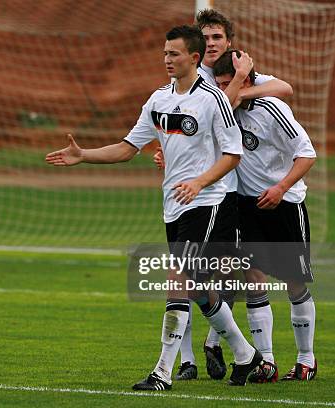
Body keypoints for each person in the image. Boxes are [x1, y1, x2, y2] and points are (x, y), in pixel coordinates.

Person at [46, 25, 262, 390]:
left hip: (207, 203)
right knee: (196, 288)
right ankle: (246, 354)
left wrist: (199, 182)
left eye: (174, 54)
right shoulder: (158, 99)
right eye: (164, 53)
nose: (167, 59)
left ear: (194, 58)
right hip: (173, 205)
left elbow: (233, 154)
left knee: (178, 279)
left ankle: (162, 372)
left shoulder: (213, 99)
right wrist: (84, 155)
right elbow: (128, 148)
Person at [153, 9, 294, 382]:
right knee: (194, 276)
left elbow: (283, 89)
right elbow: (189, 117)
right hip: (191, 192)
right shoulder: (188, 76)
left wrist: (243, 81)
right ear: (197, 47)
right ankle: (196, 359)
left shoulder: (236, 69)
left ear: (228, 42)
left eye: (217, 37)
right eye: (207, 37)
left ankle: (237, 351)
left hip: (225, 192)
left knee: (219, 275)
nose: (212, 43)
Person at [213, 49, 317, 382]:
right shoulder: (224, 113)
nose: (226, 92)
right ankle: (266, 362)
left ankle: (306, 360)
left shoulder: (273, 108)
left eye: (231, 84)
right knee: (253, 277)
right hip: (247, 206)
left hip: (286, 204)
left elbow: (307, 154)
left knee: (295, 281)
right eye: (221, 86)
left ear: (247, 81)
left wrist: (281, 188)